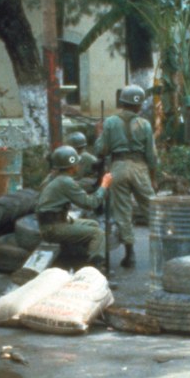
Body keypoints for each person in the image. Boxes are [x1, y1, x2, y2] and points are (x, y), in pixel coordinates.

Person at [93, 84, 157, 268]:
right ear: (139, 105)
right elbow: (152, 156)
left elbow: (101, 150)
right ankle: (164, 245)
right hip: (140, 168)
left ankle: (130, 253)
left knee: (122, 211)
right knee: (152, 208)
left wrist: (99, 133)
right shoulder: (144, 124)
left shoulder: (110, 122)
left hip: (118, 167)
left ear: (122, 103)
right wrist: (153, 178)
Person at [34, 146, 112, 272]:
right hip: (53, 228)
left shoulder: (55, 177)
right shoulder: (65, 182)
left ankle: (78, 259)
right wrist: (104, 185)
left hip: (53, 223)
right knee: (97, 234)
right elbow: (91, 203)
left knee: (93, 224)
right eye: (77, 163)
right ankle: (95, 271)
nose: (78, 165)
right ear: (71, 166)